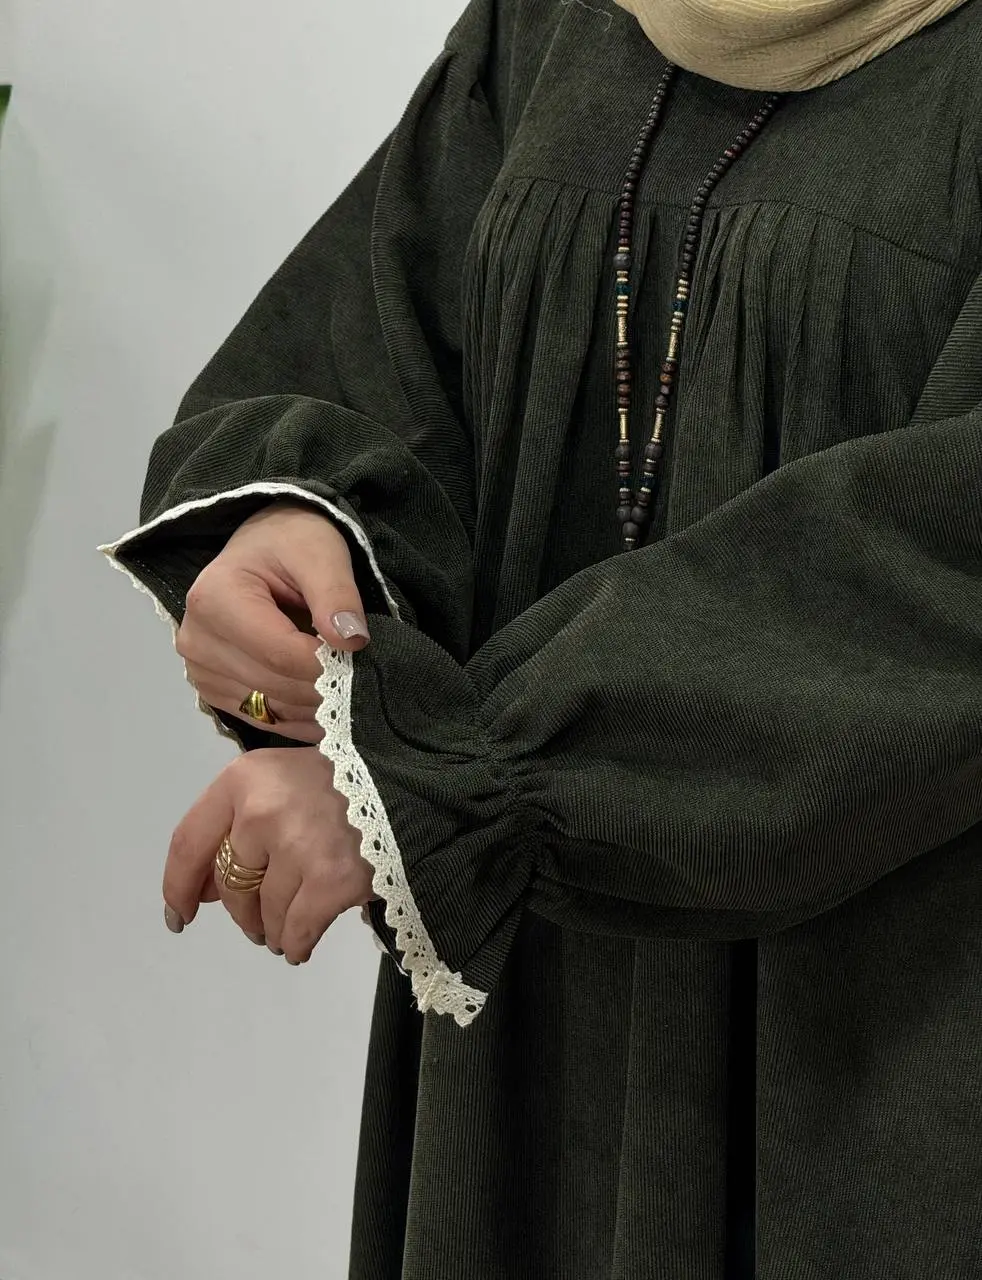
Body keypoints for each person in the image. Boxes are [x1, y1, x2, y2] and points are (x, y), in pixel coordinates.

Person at [101, 0, 982, 1276]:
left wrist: (457, 776)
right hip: (535, 1012)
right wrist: (303, 534)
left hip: (882, 1025)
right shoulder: (553, 24)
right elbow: (390, 331)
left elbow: (940, 559)